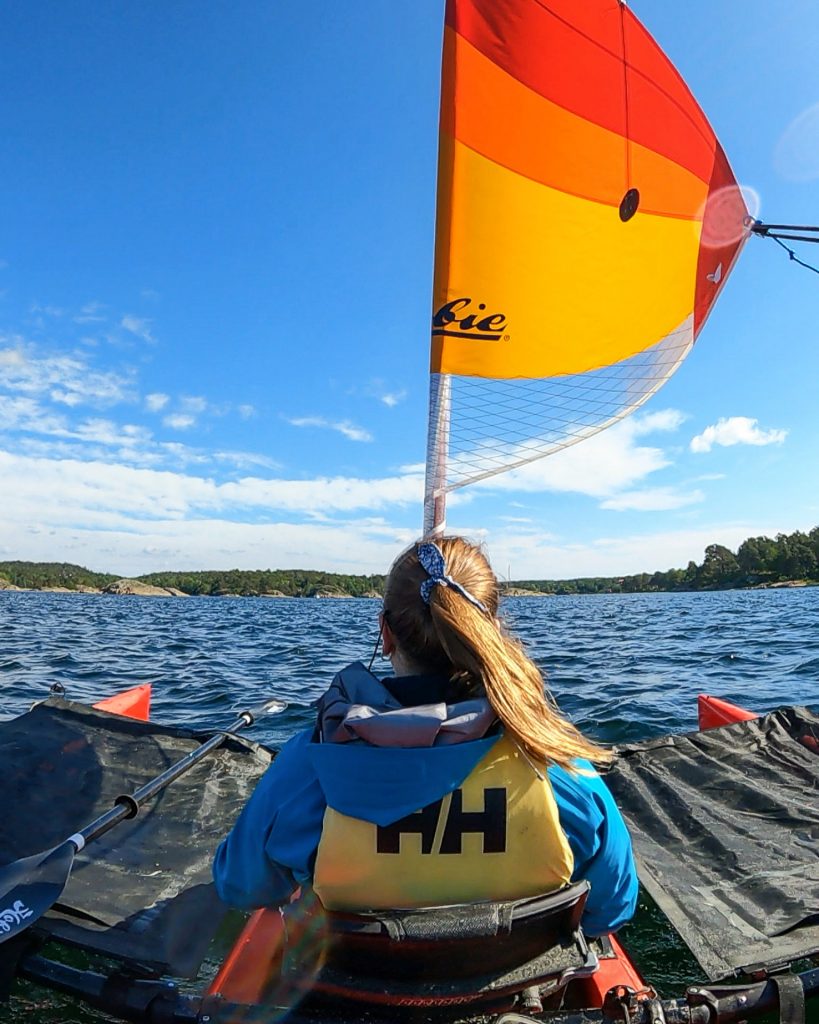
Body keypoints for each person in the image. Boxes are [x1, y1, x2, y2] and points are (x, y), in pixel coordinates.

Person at [213, 536, 637, 937]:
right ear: (489, 630)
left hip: (355, 990)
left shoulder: (310, 766)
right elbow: (612, 907)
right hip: (512, 995)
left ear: (386, 633)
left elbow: (241, 887)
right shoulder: (558, 769)